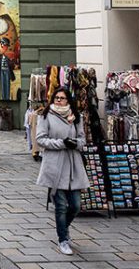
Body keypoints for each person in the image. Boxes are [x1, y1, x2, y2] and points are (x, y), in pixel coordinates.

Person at [36, 88, 89, 256]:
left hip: (73, 165)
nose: (59, 101)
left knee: (75, 205)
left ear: (68, 100)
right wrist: (62, 143)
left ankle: (63, 228)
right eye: (56, 98)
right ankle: (63, 239)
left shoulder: (75, 116)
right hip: (55, 165)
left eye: (62, 98)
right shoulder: (46, 115)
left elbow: (82, 139)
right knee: (60, 206)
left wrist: (76, 143)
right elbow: (41, 139)